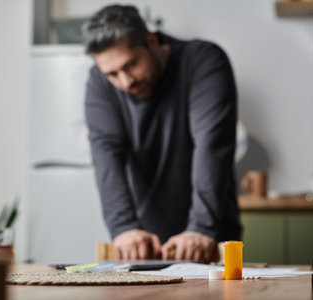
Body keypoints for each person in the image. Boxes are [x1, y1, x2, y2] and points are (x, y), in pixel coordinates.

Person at [82, 4, 241, 264]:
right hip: (144, 247)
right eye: (113, 74)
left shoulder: (204, 61)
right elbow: (106, 154)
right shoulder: (99, 83)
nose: (125, 82)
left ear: (151, 40)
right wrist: (123, 227)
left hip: (211, 240)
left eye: (131, 64)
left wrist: (201, 228)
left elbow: (211, 145)